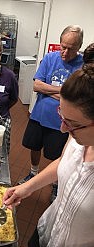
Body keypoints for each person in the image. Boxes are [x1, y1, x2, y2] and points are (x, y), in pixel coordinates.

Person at [3, 43, 94, 247]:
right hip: (49, 228)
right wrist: (27, 187)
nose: (62, 129)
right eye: (62, 115)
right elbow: (64, 161)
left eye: (72, 123)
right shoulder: (77, 139)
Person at [18, 25, 84, 201]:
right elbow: (36, 85)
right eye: (63, 46)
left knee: (57, 155)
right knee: (34, 146)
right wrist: (63, 90)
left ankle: (55, 184)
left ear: (79, 47)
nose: (65, 52)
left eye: (71, 49)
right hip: (39, 116)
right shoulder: (50, 58)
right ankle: (33, 173)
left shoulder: (83, 65)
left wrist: (50, 91)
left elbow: (76, 97)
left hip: (61, 122)